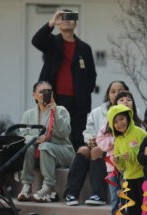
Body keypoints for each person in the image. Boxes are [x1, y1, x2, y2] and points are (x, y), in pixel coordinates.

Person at [32, 9, 97, 150]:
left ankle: (75, 167)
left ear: (76, 23)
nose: (66, 20)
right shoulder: (52, 42)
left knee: (76, 136)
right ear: (58, 24)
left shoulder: (84, 48)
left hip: (78, 99)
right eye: (63, 18)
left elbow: (91, 74)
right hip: (53, 97)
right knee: (51, 131)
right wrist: (52, 22)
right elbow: (36, 40)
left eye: (70, 17)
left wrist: (85, 91)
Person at [63, 81, 128, 206]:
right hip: (98, 146)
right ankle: (71, 193)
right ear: (108, 94)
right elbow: (88, 131)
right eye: (112, 91)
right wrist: (91, 139)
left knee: (96, 151)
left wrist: (101, 143)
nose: (116, 94)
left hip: (116, 150)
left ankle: (99, 195)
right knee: (83, 150)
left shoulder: (132, 112)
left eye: (120, 91)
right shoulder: (98, 111)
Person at [17, 81, 75, 202]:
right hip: (38, 154)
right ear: (34, 95)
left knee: (45, 146)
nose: (44, 94)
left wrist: (56, 114)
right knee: (29, 147)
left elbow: (64, 133)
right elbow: (22, 136)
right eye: (41, 92)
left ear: (52, 94)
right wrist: (35, 139)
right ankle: (27, 185)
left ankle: (48, 186)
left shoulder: (61, 110)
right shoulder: (28, 114)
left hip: (62, 151)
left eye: (47, 92)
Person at [107, 104, 147, 215]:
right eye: (116, 121)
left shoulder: (139, 133)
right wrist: (118, 162)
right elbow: (122, 168)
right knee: (131, 210)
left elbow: (146, 155)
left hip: (144, 177)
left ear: (128, 118)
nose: (120, 123)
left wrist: (130, 155)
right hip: (129, 178)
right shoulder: (117, 140)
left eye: (122, 119)